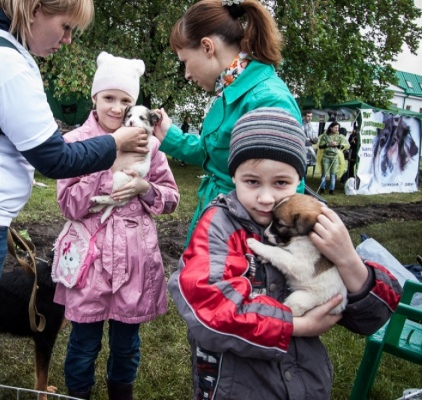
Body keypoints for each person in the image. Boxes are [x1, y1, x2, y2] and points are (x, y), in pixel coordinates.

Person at [0, 0, 149, 383]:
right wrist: (115, 143)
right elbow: (53, 159)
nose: (68, 40)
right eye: (66, 27)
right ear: (35, 9)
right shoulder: (6, 66)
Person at [168, 108, 402, 400]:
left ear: (299, 181)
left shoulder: (314, 221)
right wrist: (298, 326)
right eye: (252, 181)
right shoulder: (219, 225)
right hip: (235, 386)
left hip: (305, 383)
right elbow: (209, 310)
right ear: (234, 178)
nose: (266, 199)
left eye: (281, 183)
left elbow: (372, 319)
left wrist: (347, 258)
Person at [54, 52, 180, 400]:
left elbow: (171, 198)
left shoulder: (151, 146)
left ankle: (120, 394)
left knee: (126, 345)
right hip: (89, 262)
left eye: (125, 100)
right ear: (94, 97)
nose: (116, 107)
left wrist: (146, 189)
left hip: (134, 259)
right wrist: (106, 174)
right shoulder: (76, 142)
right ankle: (78, 394)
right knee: (83, 343)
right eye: (109, 97)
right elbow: (68, 204)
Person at [154, 0, 302, 246]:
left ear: (207, 47)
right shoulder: (229, 94)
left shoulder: (267, 99)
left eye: (185, 62)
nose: (187, 74)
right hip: (221, 224)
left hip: (242, 242)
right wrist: (169, 135)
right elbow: (215, 152)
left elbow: (287, 194)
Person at [318, 121, 349, 194]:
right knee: (324, 174)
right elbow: (320, 146)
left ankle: (331, 190)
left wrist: (337, 145)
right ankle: (322, 188)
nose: (337, 129)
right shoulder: (325, 136)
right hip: (326, 157)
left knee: (333, 174)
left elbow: (343, 146)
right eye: (335, 127)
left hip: (335, 157)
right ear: (331, 128)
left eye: (338, 128)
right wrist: (328, 144)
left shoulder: (340, 136)